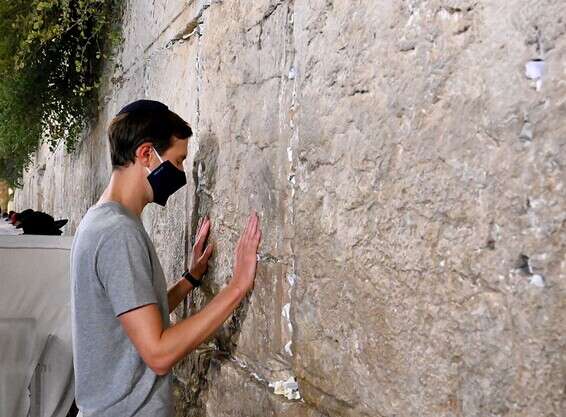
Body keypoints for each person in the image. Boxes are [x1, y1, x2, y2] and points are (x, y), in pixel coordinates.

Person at [70, 99, 262, 417]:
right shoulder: (118, 233)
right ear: (146, 154)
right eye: (177, 160)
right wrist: (237, 287)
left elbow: (133, 316)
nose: (181, 172)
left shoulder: (99, 221)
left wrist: (190, 279)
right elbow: (158, 353)